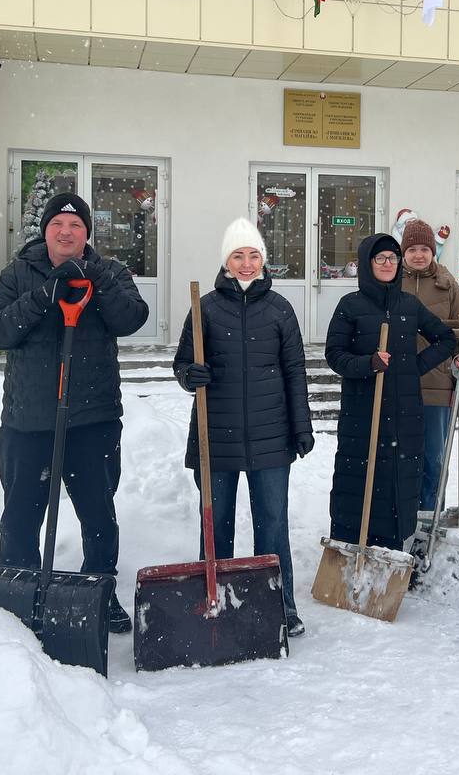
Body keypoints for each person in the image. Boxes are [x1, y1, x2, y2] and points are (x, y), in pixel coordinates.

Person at [0, 192, 149, 634]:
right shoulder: (18, 274)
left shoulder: (109, 272)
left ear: (87, 233)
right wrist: (42, 297)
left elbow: (131, 318)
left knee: (97, 513)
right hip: (28, 421)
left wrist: (96, 282)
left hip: (93, 419)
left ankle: (99, 592)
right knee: (20, 514)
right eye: (58, 225)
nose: (66, 232)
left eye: (75, 226)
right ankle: (17, 598)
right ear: (46, 230)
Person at [173, 218, 314, 637]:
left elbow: (294, 371)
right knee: (216, 525)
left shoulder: (280, 310)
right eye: (239, 255)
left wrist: (301, 426)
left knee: (272, 524)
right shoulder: (206, 308)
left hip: (272, 437)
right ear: (226, 261)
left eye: (254, 255)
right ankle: (215, 598)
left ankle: (280, 605)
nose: (247, 263)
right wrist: (190, 375)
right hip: (216, 435)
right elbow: (183, 361)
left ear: (264, 260)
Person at [325, 234, 457, 550]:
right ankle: (352, 546)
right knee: (360, 478)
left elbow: (446, 340)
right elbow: (335, 354)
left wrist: (411, 367)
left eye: (393, 258)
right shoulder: (351, 306)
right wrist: (367, 364)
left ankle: (392, 549)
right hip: (364, 410)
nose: (388, 264)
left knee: (398, 478)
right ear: (368, 263)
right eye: (381, 258)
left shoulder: (409, 305)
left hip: (403, 410)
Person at [399, 218, 459, 513]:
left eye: (424, 248)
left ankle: (430, 520)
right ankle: (401, 519)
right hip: (398, 386)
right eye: (412, 248)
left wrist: (458, 370)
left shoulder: (447, 283)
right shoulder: (391, 283)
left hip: (438, 387)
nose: (418, 255)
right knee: (400, 457)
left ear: (433, 251)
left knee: (433, 461)